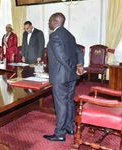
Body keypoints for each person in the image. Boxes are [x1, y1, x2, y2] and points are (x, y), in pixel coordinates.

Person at [43, 12, 84, 142]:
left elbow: (62, 58)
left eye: (49, 21)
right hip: (71, 76)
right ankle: (69, 127)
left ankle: (60, 133)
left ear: (55, 21)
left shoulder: (54, 35)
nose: (48, 23)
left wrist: (73, 68)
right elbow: (78, 52)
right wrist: (79, 65)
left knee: (61, 104)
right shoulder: (70, 35)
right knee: (69, 101)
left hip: (61, 77)